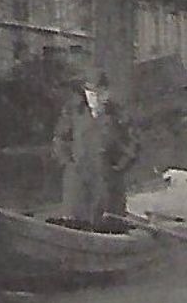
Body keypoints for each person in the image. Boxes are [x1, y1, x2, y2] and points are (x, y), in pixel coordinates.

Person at [52, 72, 139, 225]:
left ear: (107, 92)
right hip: (79, 181)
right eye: (91, 93)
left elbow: (133, 143)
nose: (96, 98)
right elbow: (60, 139)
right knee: (76, 224)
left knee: (107, 224)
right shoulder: (74, 111)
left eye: (101, 93)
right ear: (85, 93)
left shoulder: (118, 114)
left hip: (107, 182)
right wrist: (68, 163)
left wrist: (119, 166)